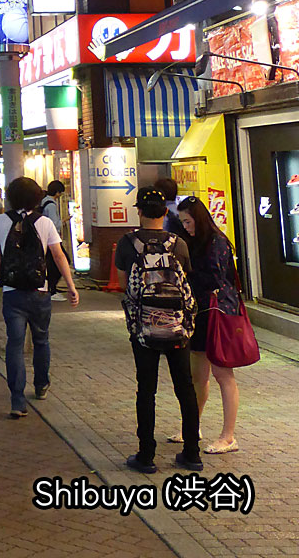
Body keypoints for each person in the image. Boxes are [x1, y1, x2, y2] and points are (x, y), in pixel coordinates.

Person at [113, 186, 201, 474]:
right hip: (177, 328)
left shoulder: (128, 243)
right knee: (185, 388)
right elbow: (185, 278)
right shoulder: (179, 244)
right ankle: (192, 454)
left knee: (146, 390)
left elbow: (124, 284)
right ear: (165, 212)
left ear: (139, 211)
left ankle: (146, 455)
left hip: (144, 329)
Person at [0, 177, 79, 418]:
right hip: (40, 292)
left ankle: (17, 400)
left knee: (15, 344)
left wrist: (1, 278)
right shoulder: (45, 222)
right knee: (41, 340)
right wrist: (71, 285)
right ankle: (41, 385)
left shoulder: (1, 221)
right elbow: (58, 256)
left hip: (12, 293)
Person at [177, 196, 242, 455]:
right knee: (198, 376)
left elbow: (216, 278)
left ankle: (228, 436)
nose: (186, 227)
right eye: (182, 222)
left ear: (199, 219)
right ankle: (192, 427)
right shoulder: (195, 242)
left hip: (219, 313)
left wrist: (186, 276)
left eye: (188, 221)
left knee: (222, 374)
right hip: (201, 313)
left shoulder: (216, 242)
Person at [40, 181, 69, 301]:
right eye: (60, 192)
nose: (60, 195)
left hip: (45, 238)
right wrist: (64, 220)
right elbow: (54, 224)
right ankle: (51, 289)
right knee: (62, 262)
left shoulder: (44, 201)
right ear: (57, 192)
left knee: (52, 264)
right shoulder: (51, 205)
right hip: (51, 239)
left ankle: (52, 288)